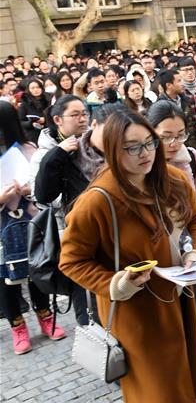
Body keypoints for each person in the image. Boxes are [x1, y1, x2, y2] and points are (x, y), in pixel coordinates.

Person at [59, 109, 196, 403]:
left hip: (179, 296)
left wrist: (195, 252)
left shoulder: (172, 179)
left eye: (149, 144)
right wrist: (115, 284)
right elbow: (71, 259)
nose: (145, 154)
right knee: (159, 392)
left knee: (182, 380)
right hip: (135, 313)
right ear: (112, 151)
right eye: (132, 148)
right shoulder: (97, 200)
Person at [147, 100, 196, 403]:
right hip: (153, 260)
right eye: (165, 136)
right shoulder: (137, 164)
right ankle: (170, 391)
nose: (173, 142)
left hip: (190, 256)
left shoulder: (190, 158)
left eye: (179, 135)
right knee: (162, 332)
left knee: (193, 324)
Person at [34, 101, 121, 326]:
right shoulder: (53, 153)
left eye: (84, 113)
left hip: (118, 234)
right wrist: (57, 155)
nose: (82, 119)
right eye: (75, 115)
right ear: (58, 120)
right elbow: (43, 195)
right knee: (91, 309)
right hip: (81, 237)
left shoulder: (107, 145)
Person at [0, 101, 66, 354]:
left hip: (30, 220)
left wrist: (30, 190)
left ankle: (46, 317)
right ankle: (17, 327)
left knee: (37, 268)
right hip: (3, 226)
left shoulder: (28, 149)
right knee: (6, 280)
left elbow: (43, 183)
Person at [17, 77, 50, 143]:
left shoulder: (49, 99)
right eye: (32, 88)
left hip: (48, 132)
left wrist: (45, 120)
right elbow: (21, 121)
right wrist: (31, 124)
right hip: (33, 135)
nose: (35, 90)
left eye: (38, 87)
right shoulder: (25, 103)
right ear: (28, 90)